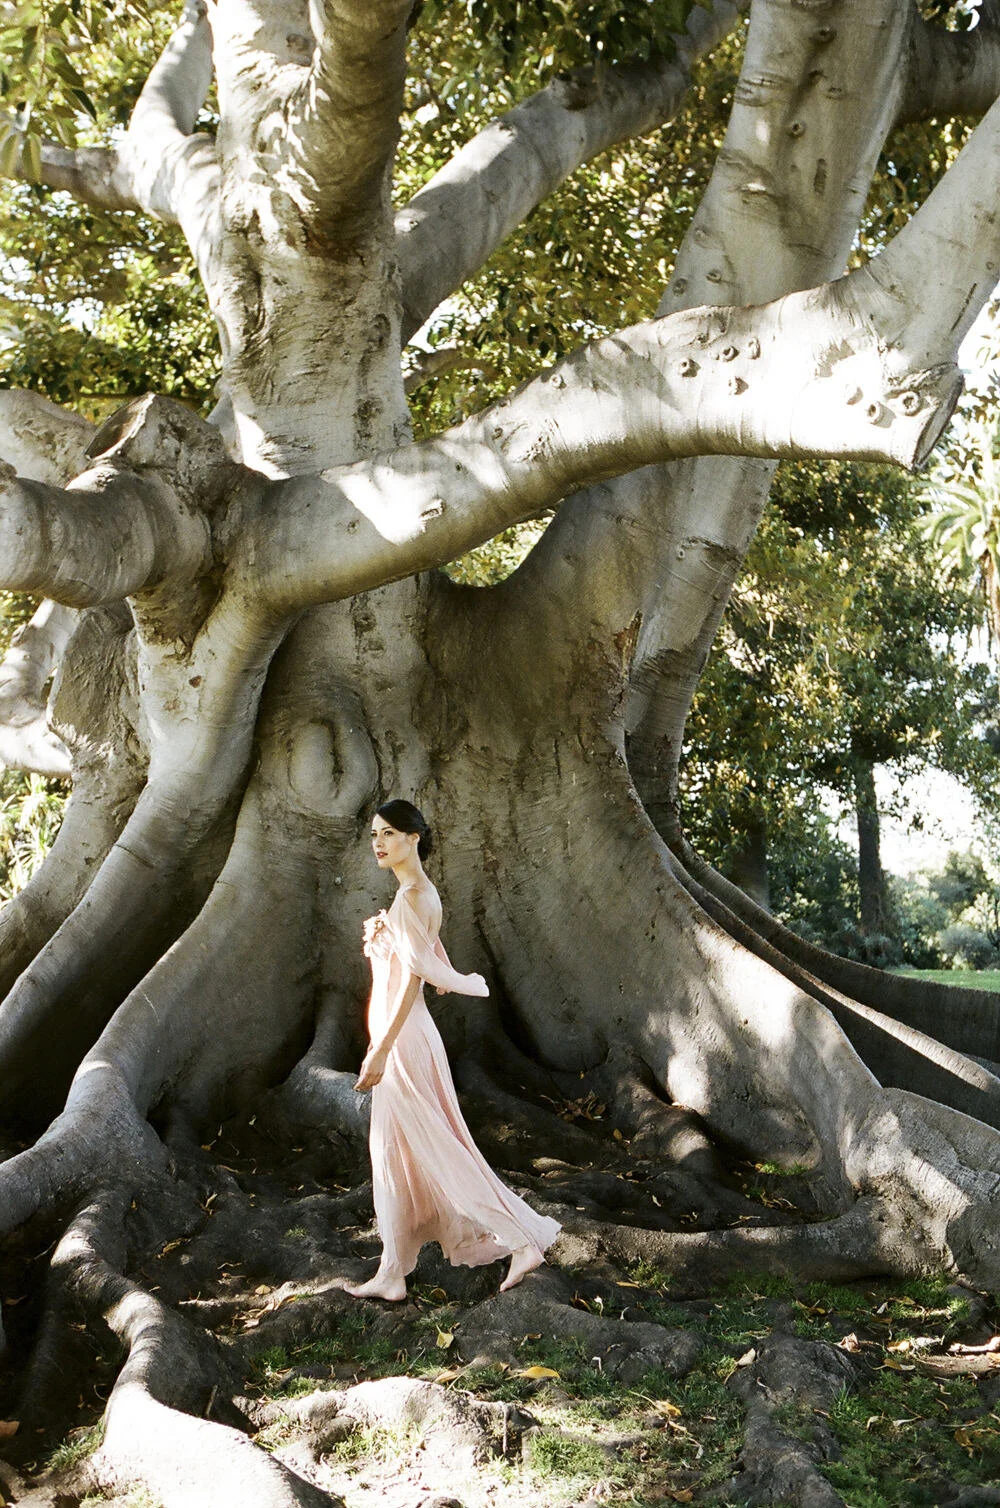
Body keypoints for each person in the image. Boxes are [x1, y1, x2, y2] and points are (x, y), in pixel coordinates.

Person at [341, 798, 562, 1302]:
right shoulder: (416, 894)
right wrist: (441, 967)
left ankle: (522, 1239)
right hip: (403, 1037)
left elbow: (409, 982)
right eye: (374, 834)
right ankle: (393, 1271)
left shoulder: (411, 897)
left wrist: (380, 1049)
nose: (378, 842)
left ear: (413, 838)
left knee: (440, 1146)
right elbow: (426, 950)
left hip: (404, 1040)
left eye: (388, 833)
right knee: (390, 1152)